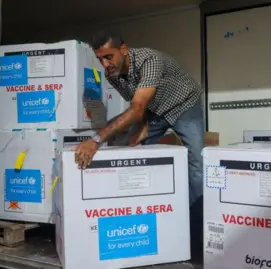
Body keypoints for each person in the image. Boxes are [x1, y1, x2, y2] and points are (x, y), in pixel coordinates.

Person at [74, 30, 205, 259]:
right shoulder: (111, 75)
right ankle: (144, 223)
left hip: (184, 105)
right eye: (100, 59)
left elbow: (136, 109)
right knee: (132, 154)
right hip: (154, 110)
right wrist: (144, 126)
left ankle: (196, 241)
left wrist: (96, 140)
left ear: (123, 49)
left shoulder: (149, 60)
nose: (105, 64)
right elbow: (139, 105)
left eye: (109, 57)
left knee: (196, 167)